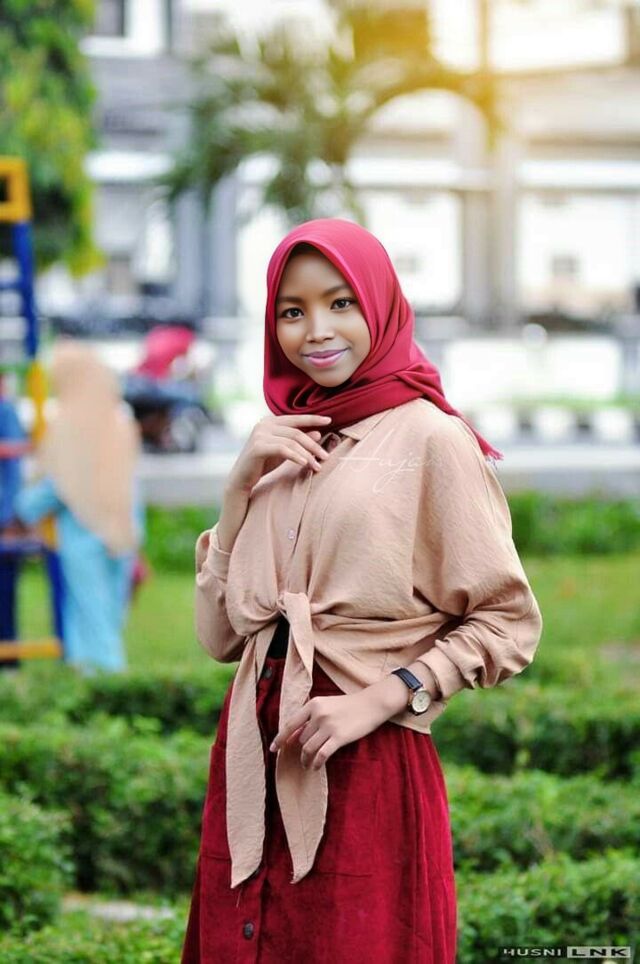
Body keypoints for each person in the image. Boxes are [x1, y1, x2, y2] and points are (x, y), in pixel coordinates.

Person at [181, 218, 543, 963]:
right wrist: (236, 493)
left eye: (340, 302)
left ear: (380, 305)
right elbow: (220, 639)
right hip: (251, 760)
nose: (316, 330)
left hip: (365, 761)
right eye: (292, 310)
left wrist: (381, 699)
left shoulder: (431, 439)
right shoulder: (282, 442)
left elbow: (507, 622)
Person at [12, 340, 144, 674]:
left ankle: (103, 684)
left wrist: (23, 509)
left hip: (83, 532)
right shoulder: (120, 420)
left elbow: (59, 483)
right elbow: (129, 482)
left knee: (91, 615)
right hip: (123, 530)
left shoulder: (68, 424)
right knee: (109, 615)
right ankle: (103, 678)